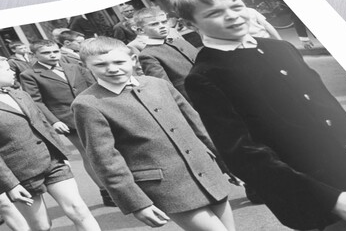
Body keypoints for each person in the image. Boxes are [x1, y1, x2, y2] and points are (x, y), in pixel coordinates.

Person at [169, 0, 346, 231]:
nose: (232, 16)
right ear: (191, 24)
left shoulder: (280, 49)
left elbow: (335, 116)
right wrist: (330, 200)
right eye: (215, 13)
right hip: (322, 196)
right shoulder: (205, 75)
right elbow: (243, 154)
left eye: (236, 7)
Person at [72, 37, 235, 231]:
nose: (112, 69)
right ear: (85, 66)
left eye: (119, 62)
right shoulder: (88, 104)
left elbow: (197, 125)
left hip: (207, 170)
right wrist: (136, 202)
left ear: (133, 59)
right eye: (101, 65)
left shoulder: (157, 84)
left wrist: (228, 164)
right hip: (167, 186)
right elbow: (106, 160)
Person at [0, 57, 101, 231]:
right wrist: (11, 185)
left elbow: (43, 125)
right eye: (6, 69)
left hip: (53, 163)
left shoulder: (20, 94)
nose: (13, 71)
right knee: (41, 225)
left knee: (79, 210)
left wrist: (61, 153)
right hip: (20, 173)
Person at [19, 40, 115, 207]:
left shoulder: (74, 67)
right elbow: (36, 102)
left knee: (113, 148)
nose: (53, 55)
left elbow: (95, 86)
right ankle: (106, 191)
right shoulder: (30, 75)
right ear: (34, 55)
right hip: (68, 120)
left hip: (96, 112)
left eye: (55, 51)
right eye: (46, 53)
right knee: (90, 154)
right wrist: (54, 121)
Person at [135, 7, 198, 102]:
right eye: (154, 24)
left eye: (164, 22)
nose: (162, 26)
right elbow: (166, 89)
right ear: (141, 30)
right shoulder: (148, 55)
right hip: (194, 100)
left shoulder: (180, 42)